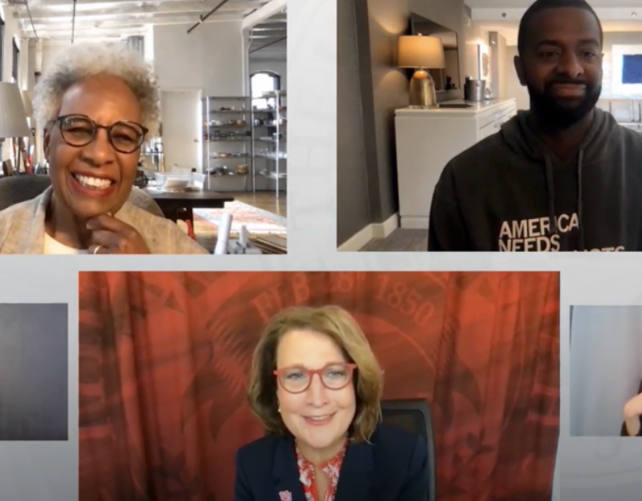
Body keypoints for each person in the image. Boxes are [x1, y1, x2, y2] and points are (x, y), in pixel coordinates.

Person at [428, 0, 642, 252]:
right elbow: (452, 288)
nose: (571, 68)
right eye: (549, 53)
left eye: (587, 53)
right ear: (520, 70)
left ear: (601, 65)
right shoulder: (464, 180)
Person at [0, 44, 208, 254]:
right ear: (47, 144)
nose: (99, 155)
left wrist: (151, 282)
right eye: (79, 129)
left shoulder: (174, 247)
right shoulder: (5, 234)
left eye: (123, 136)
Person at [234, 306, 429, 501]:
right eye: (295, 375)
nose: (317, 399)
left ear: (356, 383)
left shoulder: (404, 460)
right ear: (275, 389)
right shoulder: (252, 466)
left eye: (334, 373)